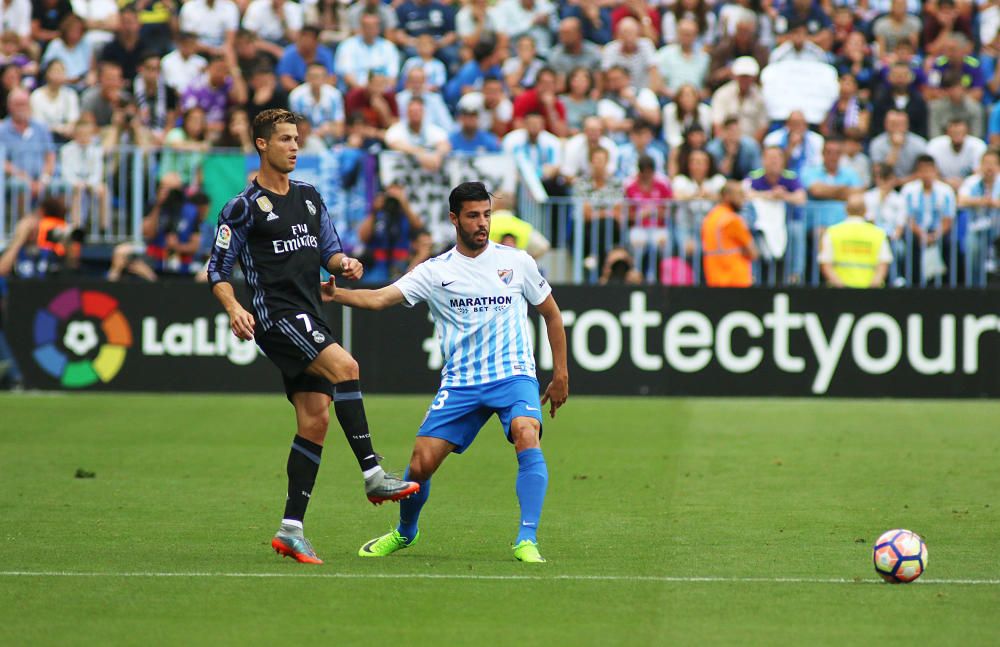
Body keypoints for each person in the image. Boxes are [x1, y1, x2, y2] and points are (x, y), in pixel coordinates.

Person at [207, 108, 419, 564]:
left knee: (315, 419)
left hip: (310, 314)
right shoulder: (242, 207)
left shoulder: (308, 197)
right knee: (347, 367)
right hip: (278, 318)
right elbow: (218, 269)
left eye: (296, 139)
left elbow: (331, 251)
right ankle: (373, 474)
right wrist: (234, 307)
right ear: (262, 144)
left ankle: (291, 529)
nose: (294, 146)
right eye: (284, 139)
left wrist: (347, 266)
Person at [331, 181, 569, 563]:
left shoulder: (517, 261)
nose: (482, 223)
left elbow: (552, 315)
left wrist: (560, 374)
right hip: (462, 383)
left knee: (527, 433)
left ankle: (527, 539)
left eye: (487, 214)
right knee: (420, 464)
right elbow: (380, 299)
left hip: (514, 375)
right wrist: (336, 294)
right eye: (473, 216)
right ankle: (405, 533)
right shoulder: (436, 271)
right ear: (454, 219)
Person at [818, 194, 893, 288]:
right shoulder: (878, 233)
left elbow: (825, 263)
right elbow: (883, 265)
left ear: (846, 210)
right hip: (871, 295)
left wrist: (840, 287)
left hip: (838, 294)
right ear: (865, 210)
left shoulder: (832, 232)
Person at [702, 180, 757, 287]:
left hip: (714, 278)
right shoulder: (733, 220)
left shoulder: (710, 218)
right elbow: (753, 252)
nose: (743, 199)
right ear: (727, 196)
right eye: (739, 194)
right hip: (736, 279)